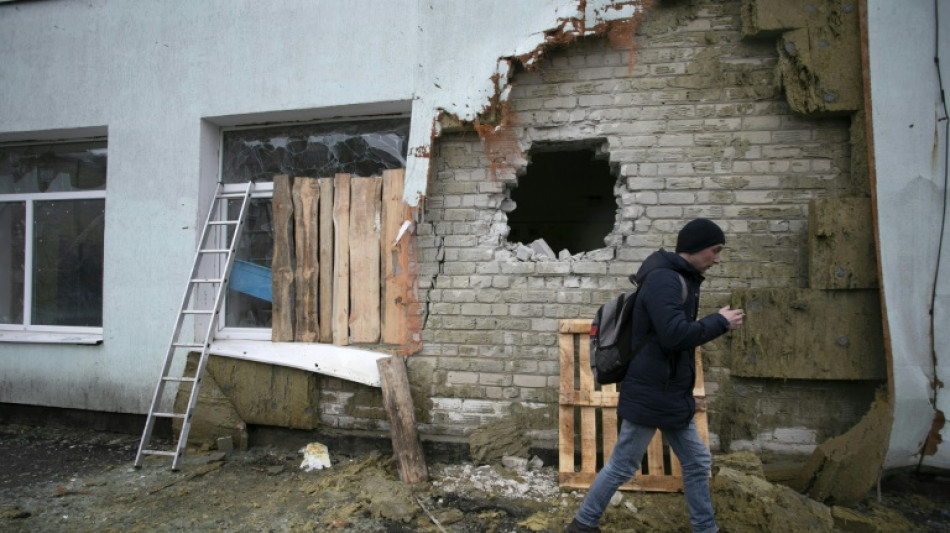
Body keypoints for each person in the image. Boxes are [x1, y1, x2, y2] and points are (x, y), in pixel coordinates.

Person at [565, 218, 744, 533]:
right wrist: (719, 321)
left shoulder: (678, 278)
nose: (717, 259)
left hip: (668, 392)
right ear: (695, 247)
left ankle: (706, 529)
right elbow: (674, 335)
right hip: (652, 393)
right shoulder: (665, 280)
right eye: (715, 251)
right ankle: (582, 525)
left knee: (697, 462)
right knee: (623, 465)